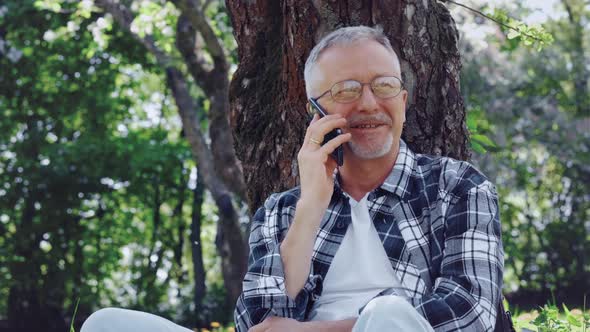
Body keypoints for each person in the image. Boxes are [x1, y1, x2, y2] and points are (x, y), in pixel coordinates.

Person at [234, 26, 504, 332]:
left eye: (384, 86)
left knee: (387, 312)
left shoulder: (457, 187)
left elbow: (468, 312)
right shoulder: (279, 211)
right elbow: (256, 322)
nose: (368, 104)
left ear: (402, 101)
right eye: (346, 90)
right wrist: (310, 208)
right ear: (316, 112)